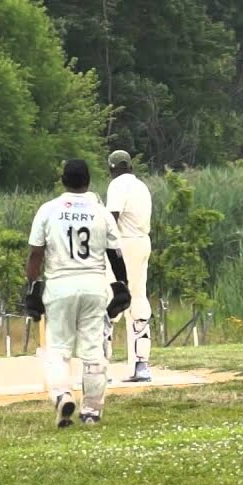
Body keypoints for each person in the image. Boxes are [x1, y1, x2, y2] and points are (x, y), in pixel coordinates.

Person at [25, 159, 132, 427]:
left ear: (63, 181)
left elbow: (36, 254)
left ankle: (62, 395)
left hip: (60, 285)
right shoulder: (101, 212)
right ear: (88, 182)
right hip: (94, 285)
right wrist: (122, 284)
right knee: (93, 351)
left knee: (58, 349)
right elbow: (115, 254)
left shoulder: (49, 210)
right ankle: (91, 411)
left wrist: (32, 286)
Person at [105, 149, 154, 382]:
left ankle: (100, 368)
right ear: (130, 166)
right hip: (142, 242)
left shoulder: (117, 185)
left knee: (111, 298)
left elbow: (112, 219)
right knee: (138, 298)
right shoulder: (141, 186)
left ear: (111, 168)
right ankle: (141, 365)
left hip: (123, 244)